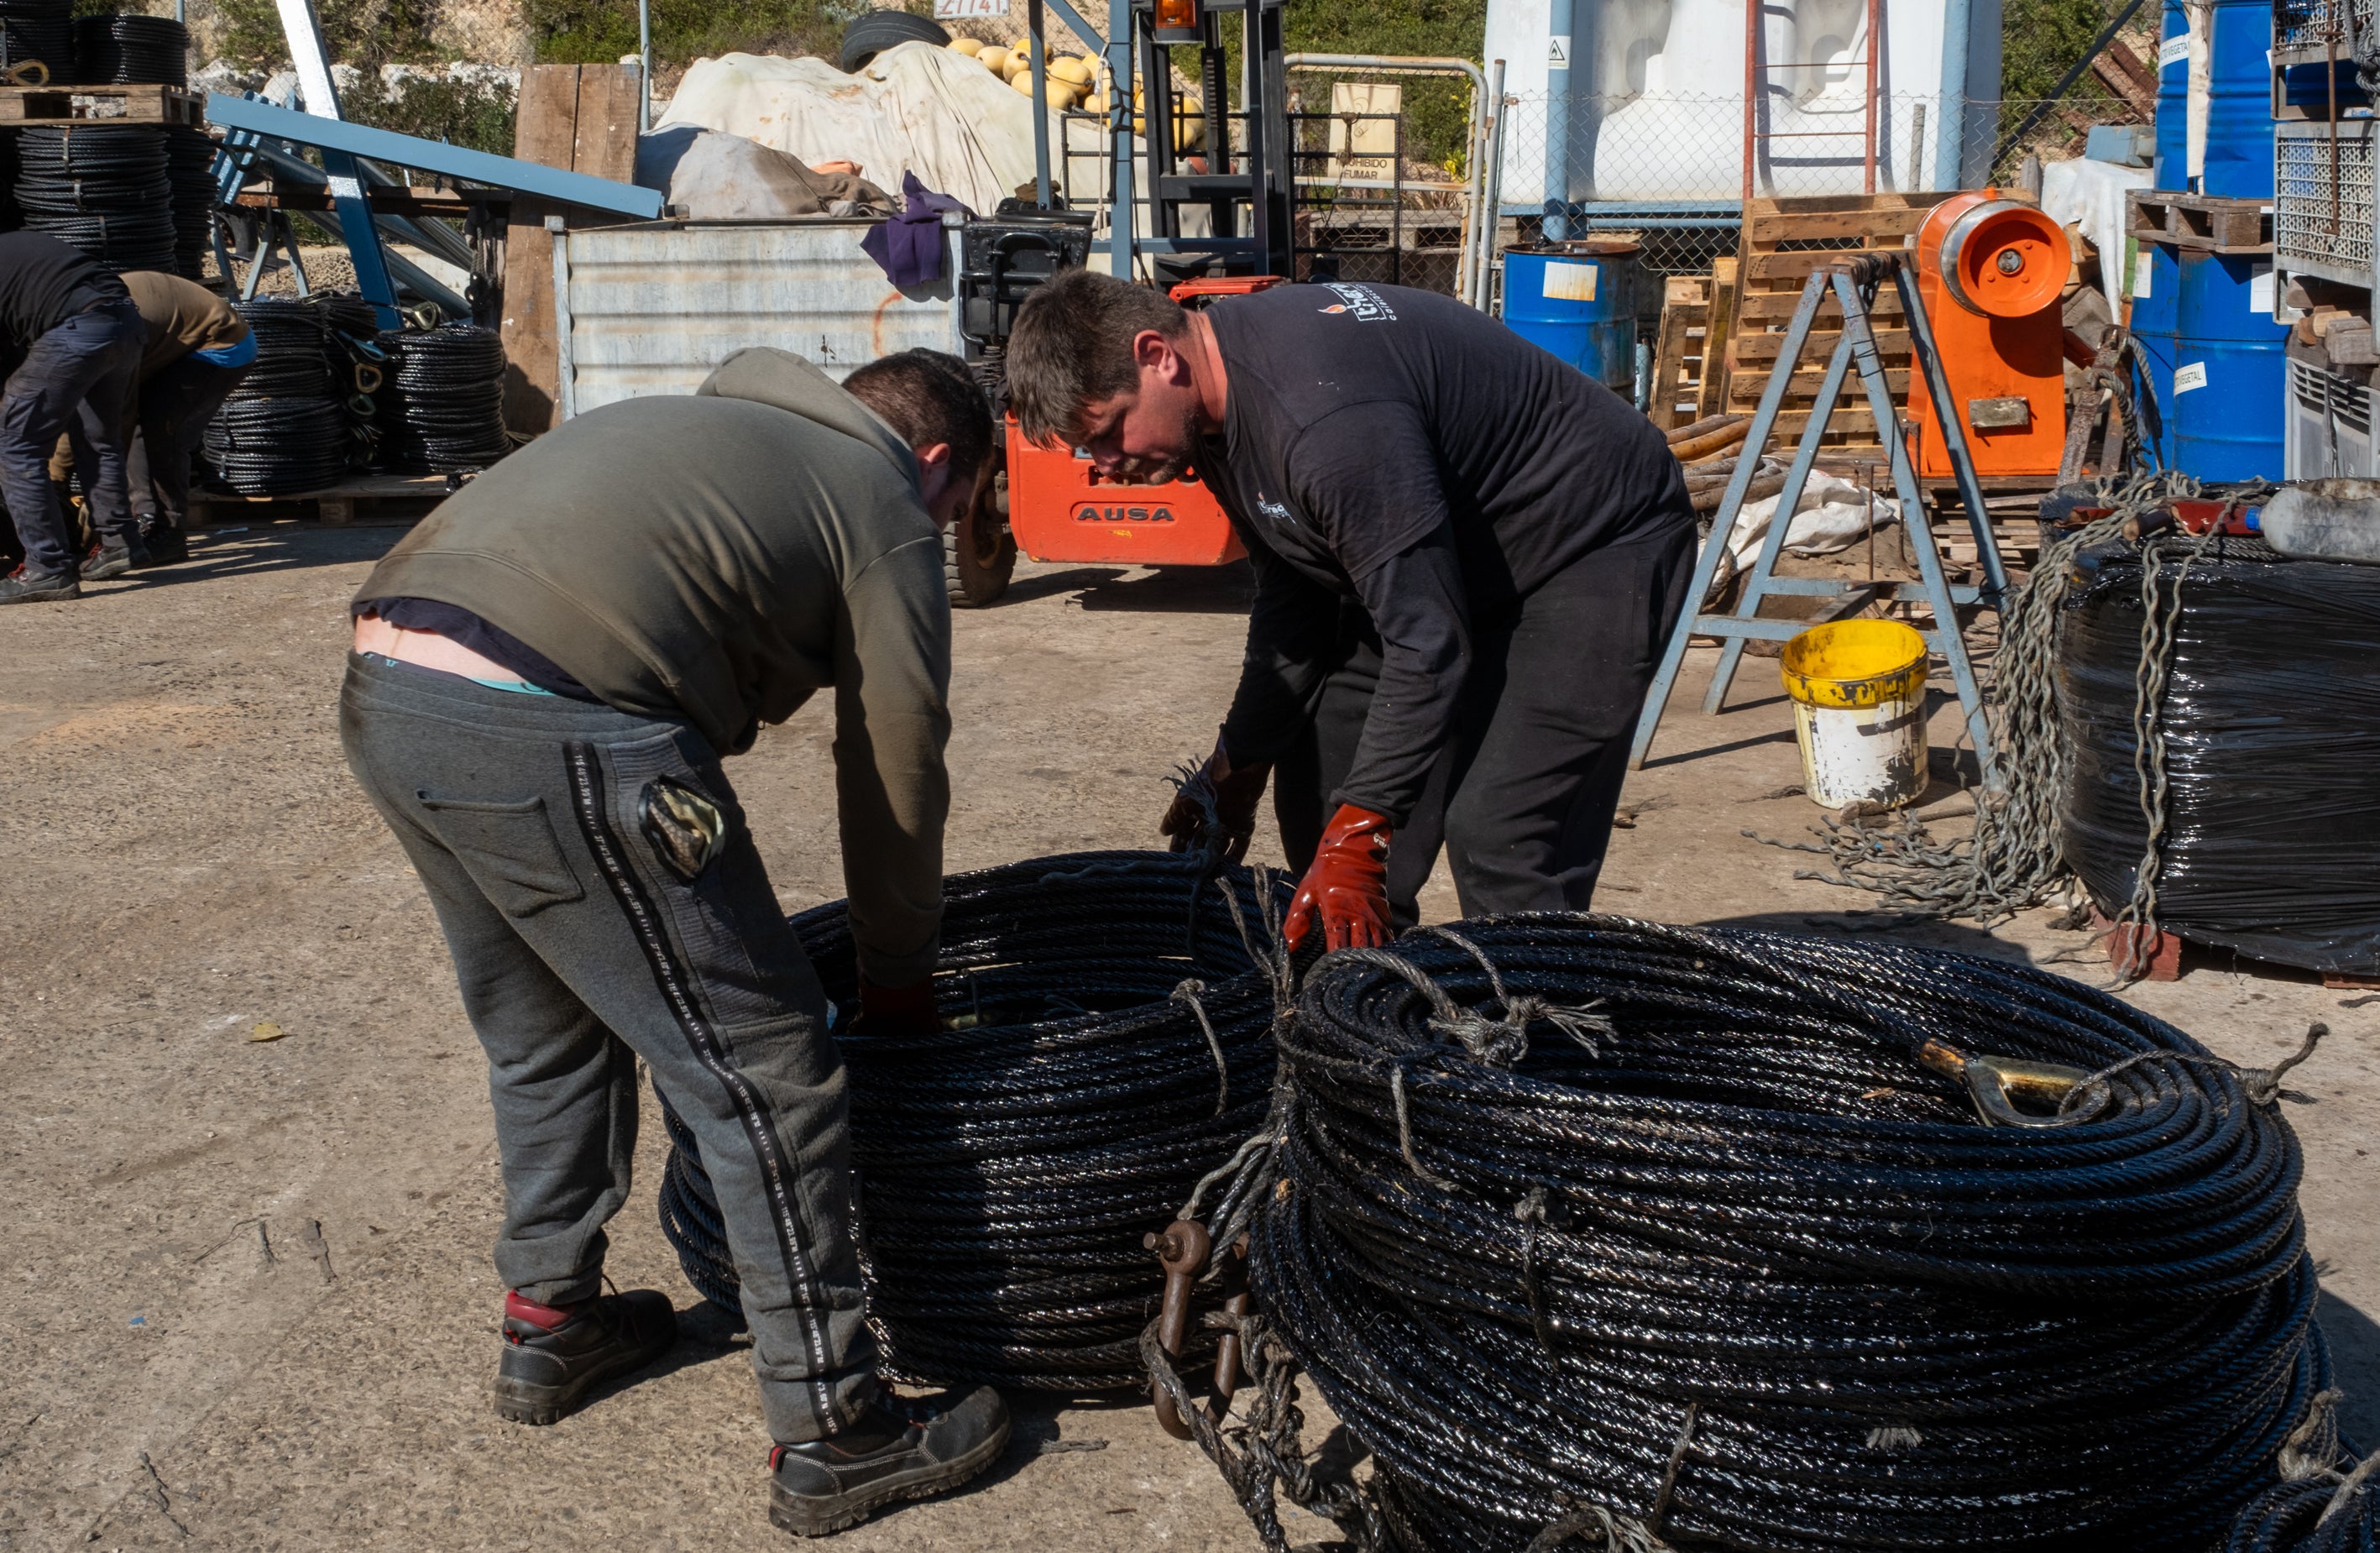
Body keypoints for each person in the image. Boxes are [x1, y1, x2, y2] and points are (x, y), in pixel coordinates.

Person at [339, 347, 1008, 1538]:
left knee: (545, 1022)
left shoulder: (681, 423)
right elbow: (896, 763)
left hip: (390, 687)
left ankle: (551, 1323)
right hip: (560, 723)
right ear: (940, 460)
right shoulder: (880, 499)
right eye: (964, 503)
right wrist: (897, 974)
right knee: (766, 1068)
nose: (952, 526)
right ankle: (832, 1429)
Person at [1006, 271, 1697, 950]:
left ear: (1157, 357)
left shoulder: (1323, 424)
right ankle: (1367, 1008)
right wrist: (1238, 762)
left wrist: (1362, 830)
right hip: (1441, 553)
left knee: (1502, 829)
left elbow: (1428, 640)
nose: (1102, 462)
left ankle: (1533, 1030)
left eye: (1107, 431)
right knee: (1325, 791)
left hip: (1589, 546)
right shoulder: (1213, 411)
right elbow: (1294, 592)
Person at [55, 271, 256, 567]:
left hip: (218, 344)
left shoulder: (94, 334)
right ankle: (146, 517)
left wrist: (69, 485)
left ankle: (169, 534)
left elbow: (107, 425)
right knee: (139, 427)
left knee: (164, 433)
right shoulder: (61, 322)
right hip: (169, 343)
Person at [0, 232, 145, 603]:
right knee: (99, 438)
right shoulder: (20, 246)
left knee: (15, 445)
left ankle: (46, 569)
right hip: (125, 321)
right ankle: (119, 543)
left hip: (74, 331)